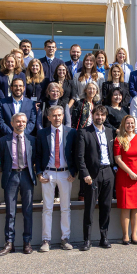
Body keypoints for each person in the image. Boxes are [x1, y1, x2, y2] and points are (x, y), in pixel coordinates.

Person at [35, 105, 77, 252]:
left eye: (59, 115)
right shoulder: (42, 134)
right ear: (48, 117)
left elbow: (76, 152)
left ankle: (65, 238)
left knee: (66, 207)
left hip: (66, 173)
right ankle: (46, 240)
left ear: (63, 116)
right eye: (54, 115)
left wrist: (74, 171)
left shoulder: (71, 132)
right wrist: (39, 173)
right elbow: (38, 155)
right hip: (48, 173)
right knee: (47, 208)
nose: (57, 118)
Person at [77, 105, 116, 249]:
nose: (100, 117)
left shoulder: (110, 132)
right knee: (90, 208)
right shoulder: (84, 132)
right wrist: (85, 174)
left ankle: (104, 238)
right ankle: (87, 240)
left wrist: (114, 170)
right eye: (97, 114)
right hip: (92, 175)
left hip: (108, 173)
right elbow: (80, 157)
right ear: (93, 115)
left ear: (106, 116)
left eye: (102, 115)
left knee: (106, 207)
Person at [0, 113, 36, 255]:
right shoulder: (3, 140)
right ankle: (9, 243)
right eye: (18, 121)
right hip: (11, 176)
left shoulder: (32, 140)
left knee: (28, 211)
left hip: (26, 175)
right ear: (12, 123)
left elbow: (35, 158)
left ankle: (27, 242)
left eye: (23, 122)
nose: (21, 124)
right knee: (10, 212)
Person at [114, 114, 137, 245]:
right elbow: (118, 159)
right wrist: (131, 172)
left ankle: (135, 235)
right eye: (127, 123)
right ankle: (125, 235)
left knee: (136, 207)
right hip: (125, 177)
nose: (130, 125)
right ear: (123, 124)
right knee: (125, 207)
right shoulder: (118, 139)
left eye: (132, 123)